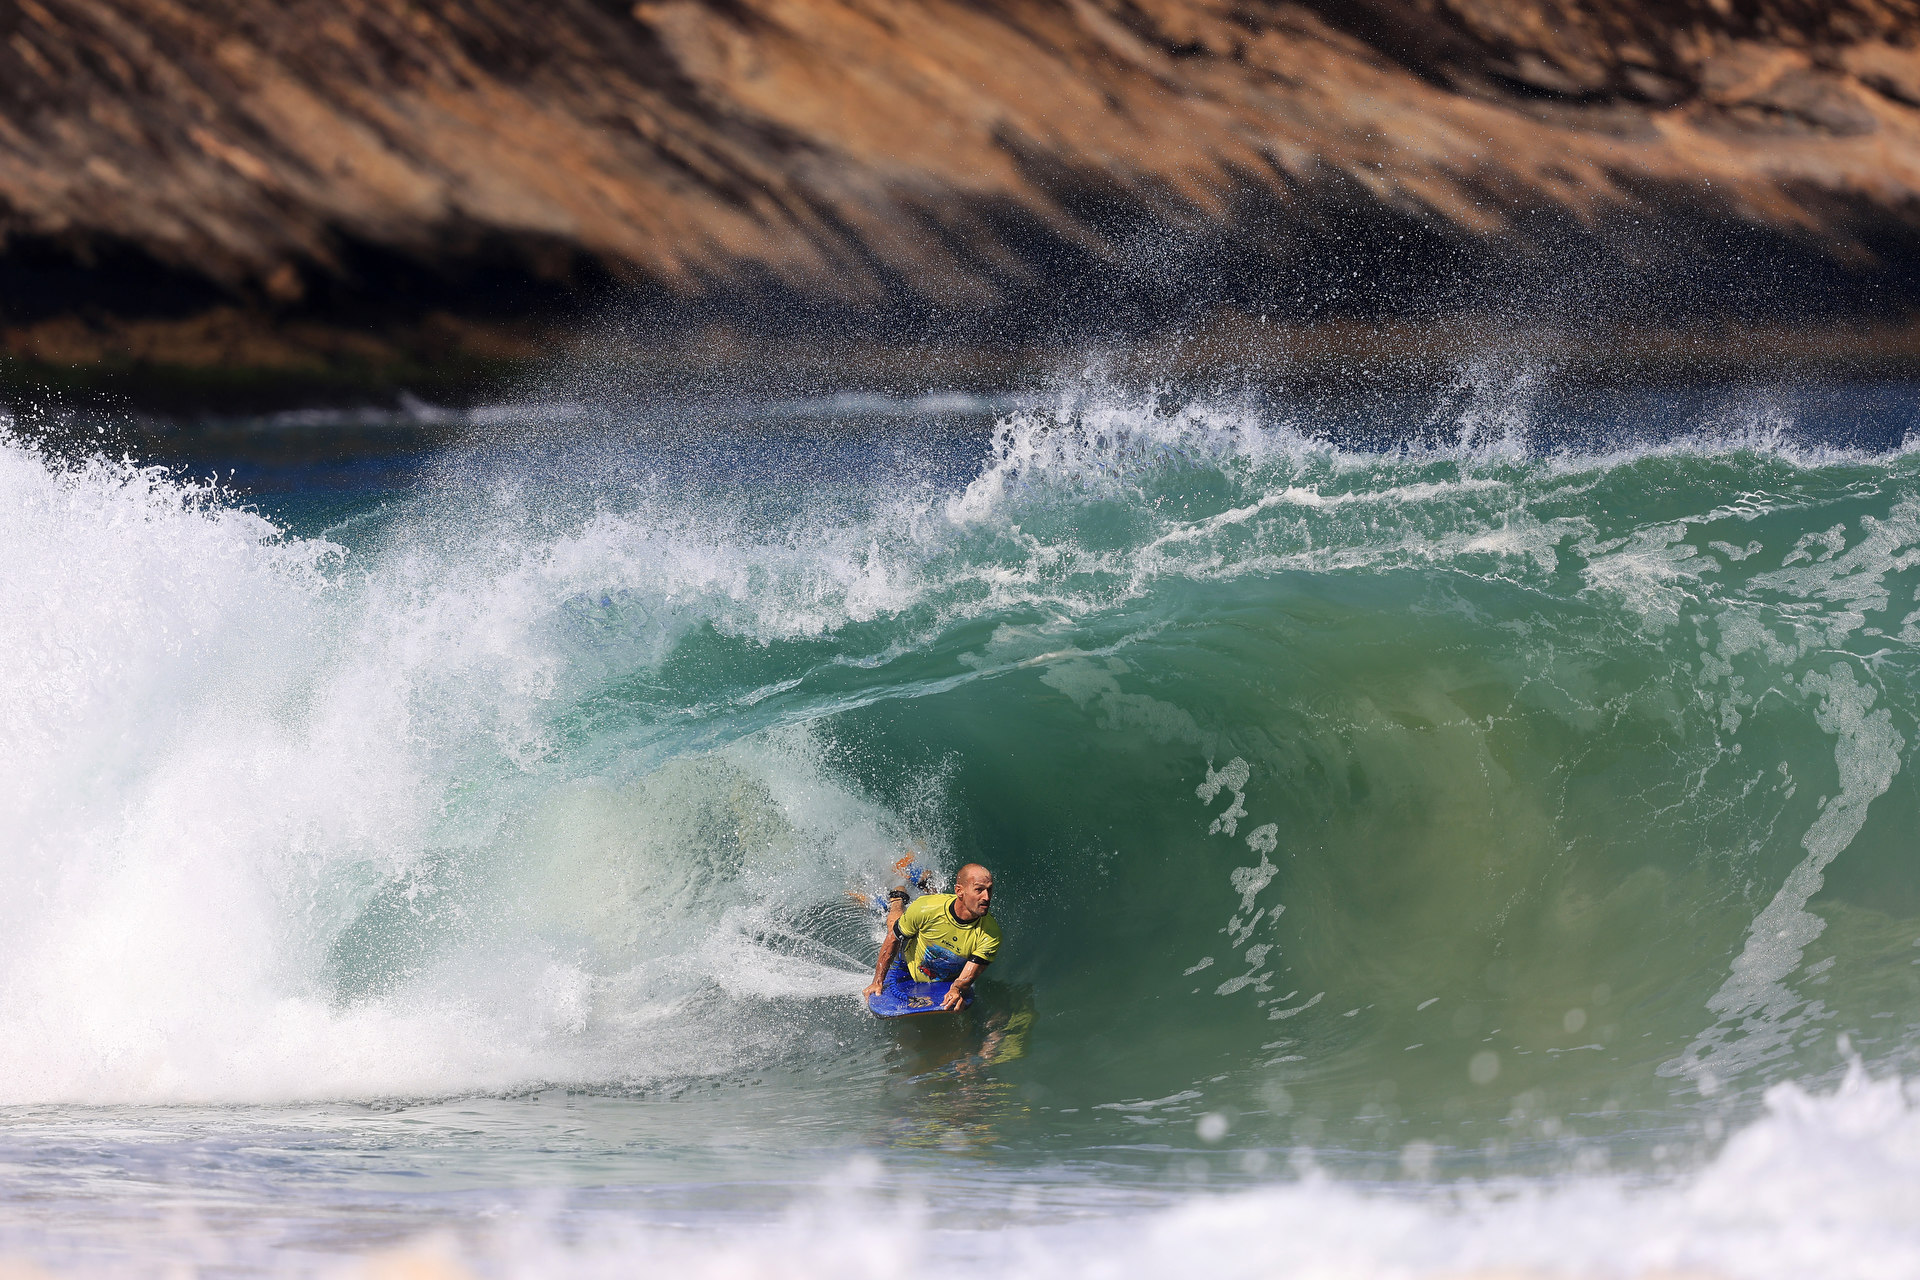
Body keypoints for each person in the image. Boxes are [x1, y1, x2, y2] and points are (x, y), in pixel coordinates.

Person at [864, 863, 1000, 1012]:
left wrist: (957, 988)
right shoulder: (924, 908)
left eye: (989, 889)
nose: (987, 897)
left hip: (944, 973)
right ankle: (897, 897)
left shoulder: (990, 933)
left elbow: (970, 973)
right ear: (959, 891)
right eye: (979, 890)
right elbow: (893, 939)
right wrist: (877, 981)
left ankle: (924, 881)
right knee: (895, 926)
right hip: (908, 959)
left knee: (936, 907)